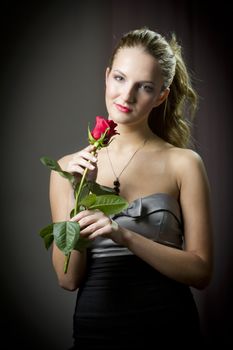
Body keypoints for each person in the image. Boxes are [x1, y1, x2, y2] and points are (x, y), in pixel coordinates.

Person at [49, 27, 213, 348]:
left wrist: (123, 236)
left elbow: (202, 271)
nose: (126, 96)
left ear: (161, 95)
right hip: (96, 332)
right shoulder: (67, 169)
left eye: (145, 87)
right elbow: (67, 279)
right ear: (107, 76)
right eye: (120, 79)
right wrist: (82, 194)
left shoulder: (185, 163)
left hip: (169, 329)